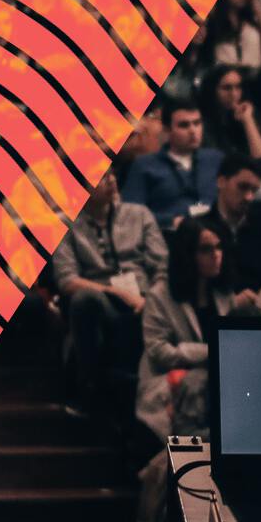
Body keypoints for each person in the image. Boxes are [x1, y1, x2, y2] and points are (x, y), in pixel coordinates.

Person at [53, 170, 167, 416]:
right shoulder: (65, 225)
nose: (112, 180)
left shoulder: (139, 215)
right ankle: (90, 390)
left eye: (113, 174)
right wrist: (115, 292)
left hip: (145, 297)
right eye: (101, 176)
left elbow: (162, 266)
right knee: (84, 299)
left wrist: (153, 300)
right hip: (102, 301)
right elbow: (67, 280)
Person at [136, 218, 256, 442]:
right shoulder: (160, 295)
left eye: (219, 247)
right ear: (188, 254)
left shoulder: (223, 293)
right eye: (206, 249)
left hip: (215, 380)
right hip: (168, 381)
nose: (216, 255)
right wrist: (210, 352)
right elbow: (159, 352)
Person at [122, 100, 224, 230]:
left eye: (197, 123)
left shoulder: (215, 158)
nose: (193, 131)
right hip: (170, 235)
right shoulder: (144, 165)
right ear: (167, 130)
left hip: (215, 231)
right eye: (184, 125)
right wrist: (169, 221)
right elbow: (130, 215)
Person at [206, 154, 261, 290]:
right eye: (243, 187)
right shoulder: (199, 229)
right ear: (221, 182)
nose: (249, 197)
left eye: (254, 190)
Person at [197, 65, 261, 164]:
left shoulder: (251, 115)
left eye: (238, 87)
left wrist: (247, 121)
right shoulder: (201, 121)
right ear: (213, 90)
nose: (234, 94)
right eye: (227, 88)